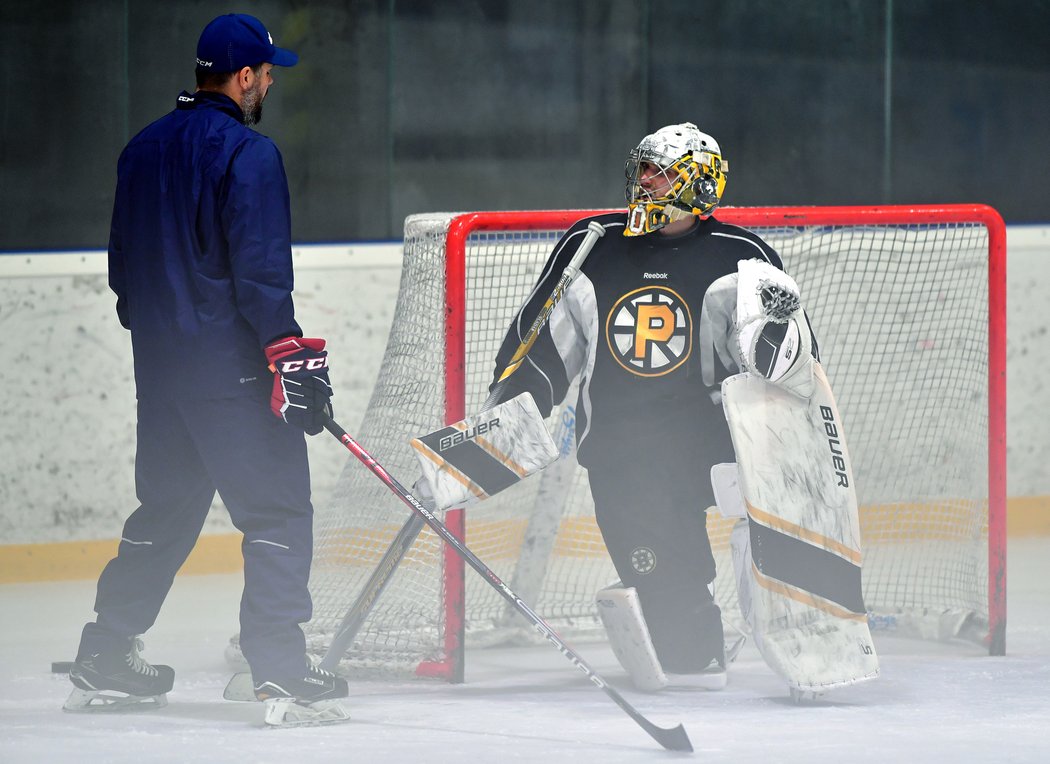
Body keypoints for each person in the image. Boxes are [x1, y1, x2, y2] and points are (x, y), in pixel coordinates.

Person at [64, 13, 348, 724]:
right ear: (244, 76)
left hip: (162, 372)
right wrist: (288, 354)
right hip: (234, 373)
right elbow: (259, 275)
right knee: (278, 509)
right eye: (266, 72)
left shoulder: (140, 149)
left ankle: (105, 650)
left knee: (165, 509)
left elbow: (123, 278)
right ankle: (279, 669)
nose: (271, 82)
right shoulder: (249, 153)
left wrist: (168, 344)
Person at [487, 122, 815, 689]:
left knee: (758, 548)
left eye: (658, 172)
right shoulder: (594, 242)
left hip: (712, 443)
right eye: (641, 168)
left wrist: (783, 352)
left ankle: (798, 624)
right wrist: (513, 402)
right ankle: (692, 630)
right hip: (623, 447)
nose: (643, 181)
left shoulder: (742, 255)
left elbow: (784, 361)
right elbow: (546, 337)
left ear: (695, 184)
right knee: (674, 621)